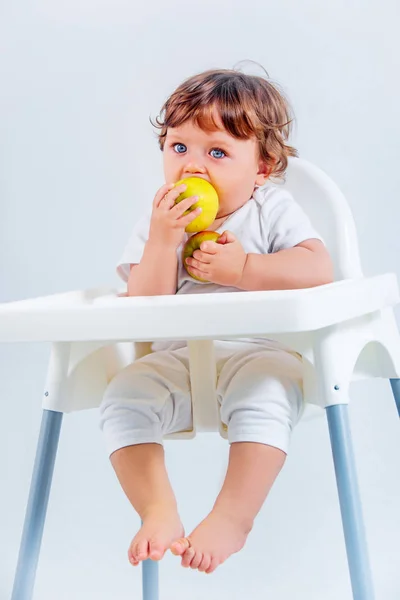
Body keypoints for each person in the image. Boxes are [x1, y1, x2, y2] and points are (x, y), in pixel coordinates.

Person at [99, 68, 333, 574]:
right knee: (123, 396)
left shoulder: (271, 209)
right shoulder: (161, 220)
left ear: (263, 166)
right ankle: (157, 508)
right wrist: (164, 242)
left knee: (264, 397)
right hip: (178, 358)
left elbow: (318, 267)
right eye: (178, 148)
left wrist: (247, 267)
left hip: (259, 352)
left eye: (218, 153)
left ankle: (233, 516)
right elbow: (143, 305)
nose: (192, 169)